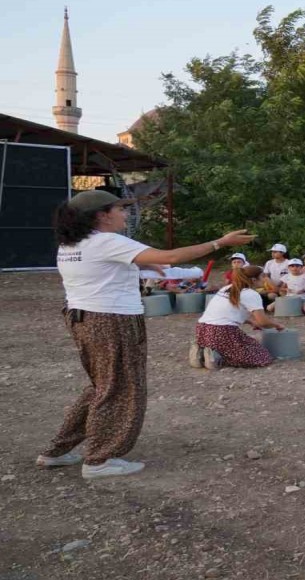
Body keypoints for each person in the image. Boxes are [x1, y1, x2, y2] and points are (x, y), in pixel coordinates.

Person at [41, 190, 254, 479]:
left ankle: (57, 451)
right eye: (119, 209)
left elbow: (137, 268)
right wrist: (221, 242)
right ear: (102, 215)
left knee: (101, 386)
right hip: (111, 321)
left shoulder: (73, 244)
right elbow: (171, 255)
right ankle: (100, 460)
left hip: (84, 318)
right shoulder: (108, 241)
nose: (124, 214)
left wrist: (167, 269)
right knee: (121, 389)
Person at [192, 265, 283, 371]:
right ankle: (216, 357)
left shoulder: (227, 288)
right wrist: (277, 325)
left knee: (246, 342)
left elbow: (224, 313)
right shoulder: (251, 294)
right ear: (254, 280)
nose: (265, 279)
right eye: (263, 276)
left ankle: (202, 351)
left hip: (202, 329)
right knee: (263, 357)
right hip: (222, 332)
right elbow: (263, 322)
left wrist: (250, 322)